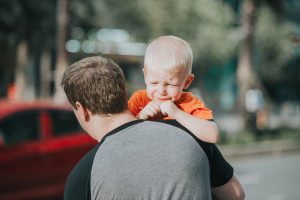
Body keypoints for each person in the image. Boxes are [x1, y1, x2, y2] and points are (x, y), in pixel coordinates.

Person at [62, 56, 245, 200]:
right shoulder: (190, 135)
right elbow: (236, 194)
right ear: (122, 92)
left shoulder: (83, 175)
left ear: (82, 109)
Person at [128, 35, 219, 143]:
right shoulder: (139, 101)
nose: (161, 91)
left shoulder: (190, 103)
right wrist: (140, 117)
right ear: (145, 76)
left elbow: (212, 136)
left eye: (171, 84)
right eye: (154, 82)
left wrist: (177, 113)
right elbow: (121, 136)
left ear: (187, 82)